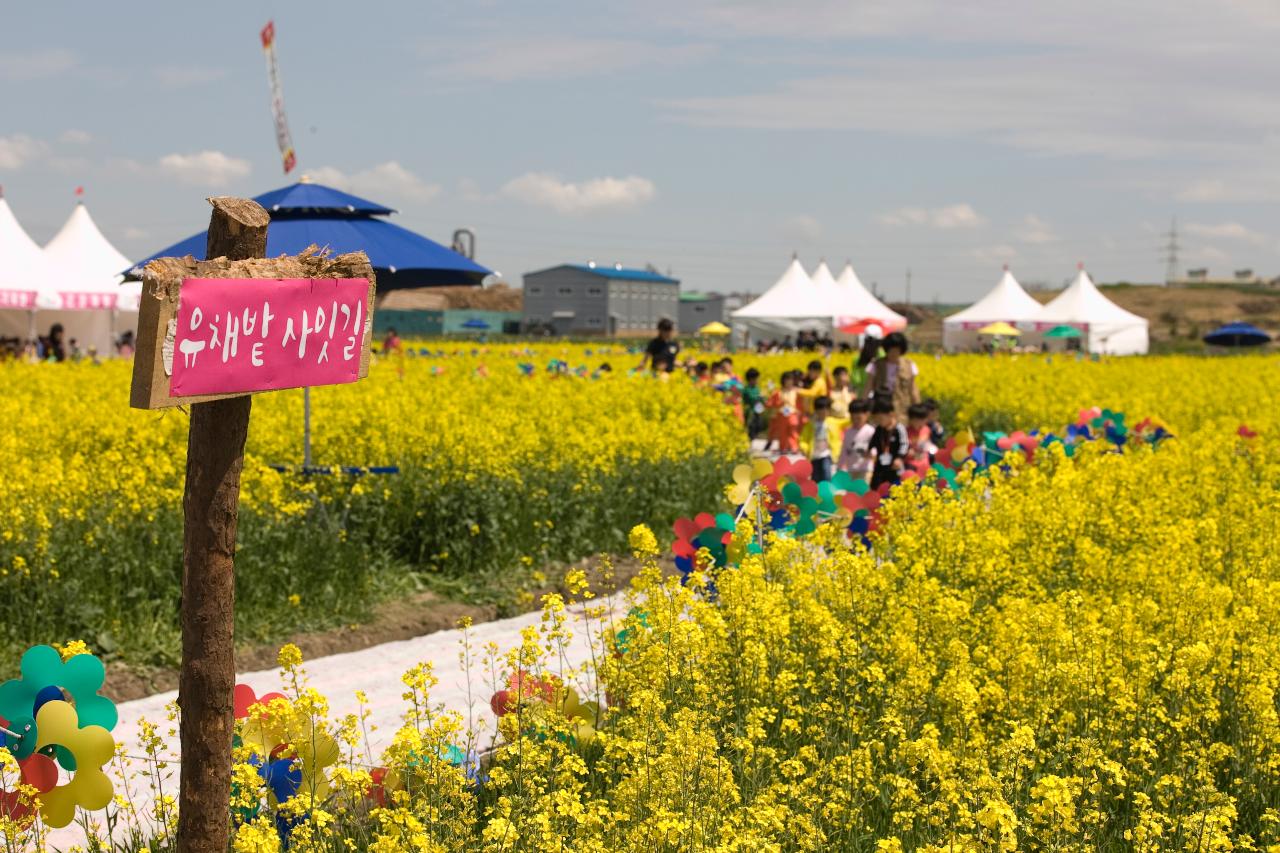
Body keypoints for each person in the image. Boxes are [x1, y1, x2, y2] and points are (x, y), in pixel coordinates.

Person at [863, 331, 920, 417]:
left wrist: (918, 410)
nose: (894, 353)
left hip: (902, 411)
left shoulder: (909, 365)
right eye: (891, 350)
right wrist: (863, 407)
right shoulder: (876, 365)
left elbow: (913, 390)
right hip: (880, 410)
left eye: (897, 350)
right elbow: (868, 387)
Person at [799, 396, 845, 482]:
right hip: (814, 455)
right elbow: (803, 438)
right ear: (816, 410)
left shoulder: (833, 422)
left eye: (826, 409)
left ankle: (827, 492)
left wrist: (838, 406)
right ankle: (816, 494)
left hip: (826, 454)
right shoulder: (810, 424)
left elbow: (848, 421)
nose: (824, 411)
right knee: (815, 476)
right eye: (821, 409)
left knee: (826, 473)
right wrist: (804, 447)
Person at [868, 398, 908, 490]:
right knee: (875, 488)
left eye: (881, 418)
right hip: (880, 467)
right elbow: (873, 442)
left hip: (895, 467)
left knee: (895, 489)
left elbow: (904, 445)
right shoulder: (879, 429)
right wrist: (869, 450)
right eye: (876, 419)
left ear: (891, 415)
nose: (879, 421)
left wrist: (899, 458)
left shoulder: (899, 429)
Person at [837, 399, 875, 481]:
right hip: (851, 470)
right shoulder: (848, 432)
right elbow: (844, 451)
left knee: (864, 491)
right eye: (853, 418)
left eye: (859, 418)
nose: (856, 421)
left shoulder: (870, 431)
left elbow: (875, 448)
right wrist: (839, 468)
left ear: (867, 415)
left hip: (866, 470)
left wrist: (871, 454)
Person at [766, 370, 803, 453]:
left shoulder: (796, 391)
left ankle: (794, 447)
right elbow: (771, 402)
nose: (789, 382)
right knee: (782, 432)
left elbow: (800, 404)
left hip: (793, 414)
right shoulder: (778, 392)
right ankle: (783, 447)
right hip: (781, 415)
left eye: (791, 380)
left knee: (793, 431)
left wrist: (799, 413)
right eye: (787, 380)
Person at [905, 403, 934, 479]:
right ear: (911, 419)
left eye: (923, 419)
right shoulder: (906, 431)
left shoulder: (926, 430)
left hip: (924, 462)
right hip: (910, 463)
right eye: (917, 420)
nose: (920, 422)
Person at [742, 368, 767, 442]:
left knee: (758, 426)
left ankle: (752, 439)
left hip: (758, 411)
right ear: (751, 379)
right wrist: (760, 397)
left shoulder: (757, 388)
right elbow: (752, 399)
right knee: (751, 427)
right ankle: (749, 441)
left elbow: (762, 400)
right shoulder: (747, 389)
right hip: (750, 412)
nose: (758, 381)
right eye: (756, 379)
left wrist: (764, 398)